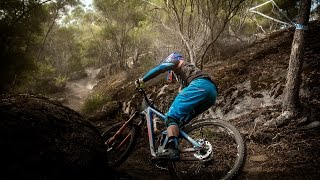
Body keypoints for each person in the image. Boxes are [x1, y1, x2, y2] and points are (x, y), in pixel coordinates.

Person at [135, 52, 218, 163]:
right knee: (178, 123)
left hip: (200, 85)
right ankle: (196, 150)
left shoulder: (176, 61)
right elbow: (183, 91)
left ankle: (172, 150)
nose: (172, 73)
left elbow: (160, 68)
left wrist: (143, 79)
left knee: (171, 117)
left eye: (172, 71)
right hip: (211, 93)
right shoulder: (187, 73)